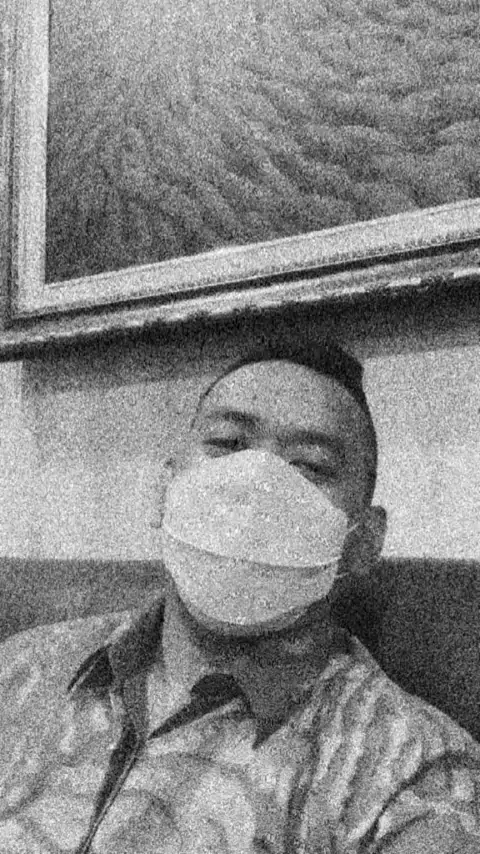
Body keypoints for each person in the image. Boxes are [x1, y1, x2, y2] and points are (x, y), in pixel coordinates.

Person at [0, 337, 479, 854]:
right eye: (228, 443)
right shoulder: (22, 668)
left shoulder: (412, 775)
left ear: (362, 542)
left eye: (310, 465)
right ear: (164, 491)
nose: (257, 487)